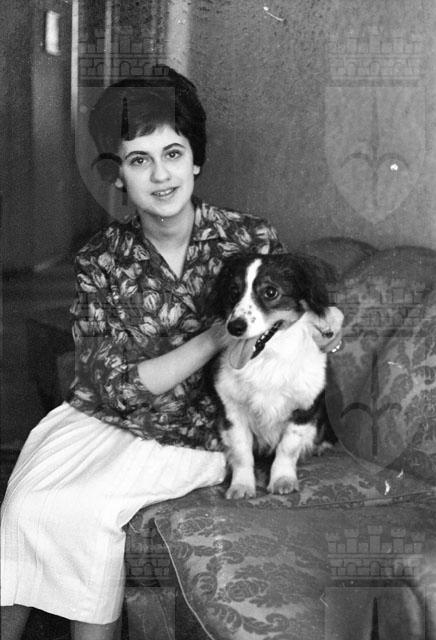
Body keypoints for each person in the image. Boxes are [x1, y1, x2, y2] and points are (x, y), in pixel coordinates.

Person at [1, 66, 342, 640]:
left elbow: (299, 312)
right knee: (26, 506)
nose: (161, 175)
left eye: (174, 153)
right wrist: (214, 337)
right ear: (117, 175)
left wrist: (329, 325)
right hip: (103, 418)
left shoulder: (249, 238)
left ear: (195, 160)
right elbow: (114, 386)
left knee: (85, 512)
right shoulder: (100, 259)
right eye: (139, 160)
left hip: (198, 428)